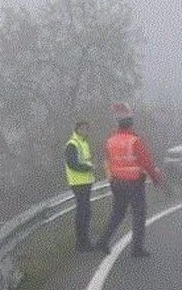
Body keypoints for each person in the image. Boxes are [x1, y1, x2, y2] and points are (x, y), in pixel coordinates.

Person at [95, 103, 170, 257]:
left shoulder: (110, 141)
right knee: (139, 214)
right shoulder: (135, 141)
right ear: (131, 122)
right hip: (134, 183)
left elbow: (108, 162)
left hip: (117, 182)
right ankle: (137, 249)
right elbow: (147, 163)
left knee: (118, 213)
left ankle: (102, 241)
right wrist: (157, 180)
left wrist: (111, 180)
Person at [64, 121, 95, 251]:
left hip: (86, 182)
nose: (84, 131)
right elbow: (73, 164)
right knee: (82, 212)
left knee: (86, 212)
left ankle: (85, 241)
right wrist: (88, 168)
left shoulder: (83, 143)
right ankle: (81, 243)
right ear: (76, 130)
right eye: (82, 129)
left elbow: (85, 159)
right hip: (78, 183)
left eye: (86, 129)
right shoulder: (72, 144)